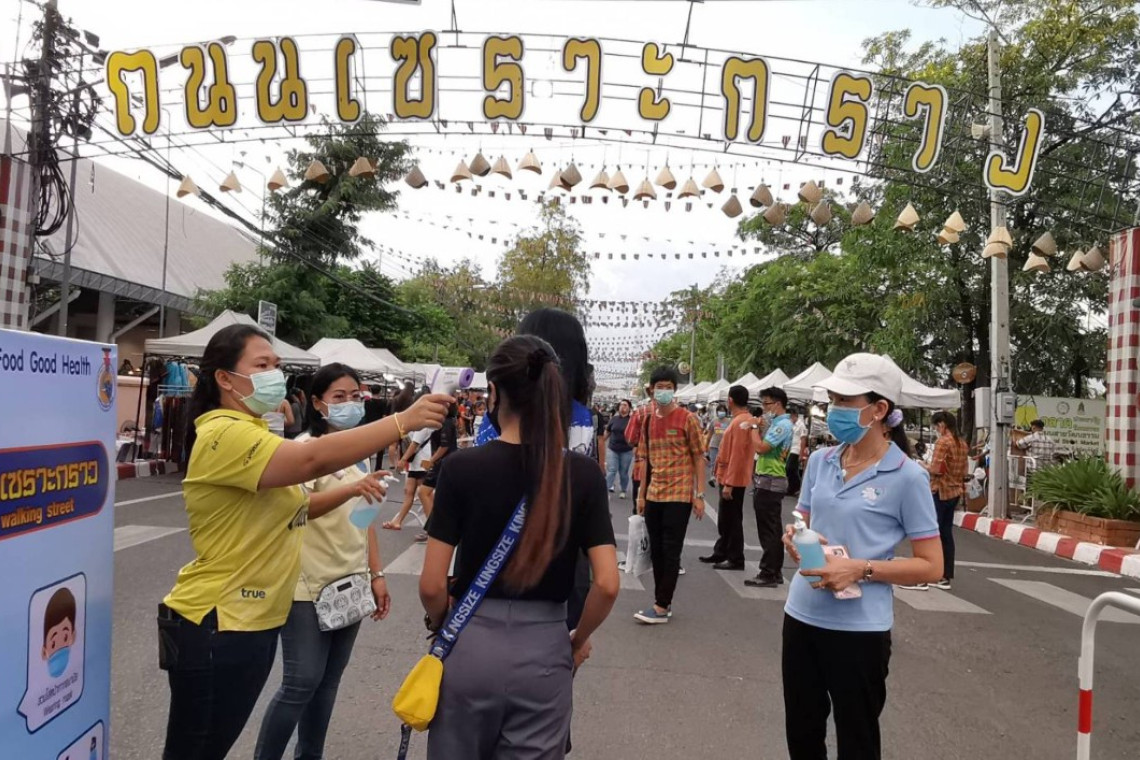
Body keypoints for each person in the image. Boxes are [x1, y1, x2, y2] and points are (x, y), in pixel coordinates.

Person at [157, 324, 449, 760]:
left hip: (253, 621)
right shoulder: (224, 432)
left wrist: (371, 562)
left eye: (276, 365)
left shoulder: (256, 432)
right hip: (220, 620)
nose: (274, 374)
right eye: (261, 365)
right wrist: (401, 422)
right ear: (224, 378)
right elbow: (310, 459)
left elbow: (306, 509)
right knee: (200, 748)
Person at [420, 335, 620, 759]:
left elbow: (432, 585)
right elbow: (606, 583)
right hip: (545, 649)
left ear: (493, 392)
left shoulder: (461, 468)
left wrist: (445, 625)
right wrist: (577, 640)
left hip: (469, 641)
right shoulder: (583, 475)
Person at [781, 352, 943, 760]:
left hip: (860, 631)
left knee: (857, 741)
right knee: (801, 733)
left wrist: (861, 569)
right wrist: (794, 534)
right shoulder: (822, 461)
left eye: (845, 401)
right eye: (832, 400)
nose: (834, 410)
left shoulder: (908, 476)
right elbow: (803, 517)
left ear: (879, 409)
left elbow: (931, 565)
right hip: (801, 616)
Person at [255, 363, 393, 760]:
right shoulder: (303, 452)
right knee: (300, 682)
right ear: (318, 403)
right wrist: (352, 489)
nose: (350, 404)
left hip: (350, 584)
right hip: (306, 586)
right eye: (339, 397)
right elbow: (296, 509)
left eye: (355, 397)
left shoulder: (359, 455)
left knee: (328, 683)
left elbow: (364, 520)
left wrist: (376, 574)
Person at [633, 366, 706, 624]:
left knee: (670, 550)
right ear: (651, 390)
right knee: (656, 551)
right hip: (654, 493)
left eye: (668, 387)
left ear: (674, 390)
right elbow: (645, 461)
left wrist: (699, 494)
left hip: (679, 494)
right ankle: (662, 600)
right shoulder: (648, 422)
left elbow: (699, 457)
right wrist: (641, 495)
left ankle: (661, 606)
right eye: (659, 387)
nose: (664, 391)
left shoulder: (687, 419)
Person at [905, 411, 969, 591]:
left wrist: (921, 464)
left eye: (935, 426)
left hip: (939, 491)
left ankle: (922, 577)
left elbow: (936, 469)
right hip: (955, 492)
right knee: (945, 534)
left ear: (942, 424)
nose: (935, 430)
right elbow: (965, 471)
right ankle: (944, 576)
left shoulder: (943, 442)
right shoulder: (962, 443)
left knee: (927, 534)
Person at [746, 387, 796, 588]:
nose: (764, 408)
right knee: (770, 528)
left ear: (777, 403)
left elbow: (761, 447)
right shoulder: (776, 423)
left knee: (769, 530)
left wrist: (753, 427)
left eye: (766, 404)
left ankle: (769, 571)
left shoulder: (782, 425)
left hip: (771, 479)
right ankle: (774, 571)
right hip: (767, 478)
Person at [700, 385, 753, 571]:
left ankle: (735, 557)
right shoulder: (740, 420)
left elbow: (737, 455)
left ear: (730, 400)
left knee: (732, 519)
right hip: (730, 476)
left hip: (733, 478)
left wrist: (729, 483)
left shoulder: (740, 422)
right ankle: (722, 551)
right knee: (725, 518)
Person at [416, 399, 460, 541]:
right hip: (446, 462)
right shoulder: (450, 421)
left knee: (423, 492)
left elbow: (444, 446)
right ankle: (435, 527)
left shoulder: (446, 422)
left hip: (441, 463)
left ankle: (432, 530)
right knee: (434, 495)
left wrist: (431, 460)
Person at [382, 423, 433, 532]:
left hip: (423, 461)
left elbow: (414, 444)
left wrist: (403, 460)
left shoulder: (422, 425)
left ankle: (432, 527)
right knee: (409, 491)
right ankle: (397, 521)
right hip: (415, 462)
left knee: (424, 494)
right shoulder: (413, 424)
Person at [604, 400, 634, 498]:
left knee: (623, 472)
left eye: (625, 405)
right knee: (612, 470)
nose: (622, 407)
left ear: (629, 408)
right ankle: (605, 491)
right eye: (621, 405)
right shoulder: (614, 419)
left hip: (626, 450)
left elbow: (636, 434)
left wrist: (636, 447)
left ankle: (623, 490)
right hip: (613, 448)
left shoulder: (632, 420)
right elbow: (607, 432)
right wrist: (601, 441)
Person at [705, 403, 731, 487]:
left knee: (723, 462)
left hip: (725, 446)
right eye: (719, 410)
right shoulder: (714, 421)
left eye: (723, 410)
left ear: (726, 412)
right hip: (714, 444)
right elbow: (709, 434)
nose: (721, 412)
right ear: (717, 412)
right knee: (713, 462)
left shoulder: (729, 421)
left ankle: (722, 477)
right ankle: (712, 477)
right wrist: (706, 446)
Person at [787, 408, 808, 497]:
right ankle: (793, 488)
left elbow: (803, 440)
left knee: (790, 468)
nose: (790, 418)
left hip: (796, 449)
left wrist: (801, 453)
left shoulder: (801, 425)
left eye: (791, 416)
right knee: (792, 470)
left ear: (795, 415)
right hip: (790, 449)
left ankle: (797, 487)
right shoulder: (792, 425)